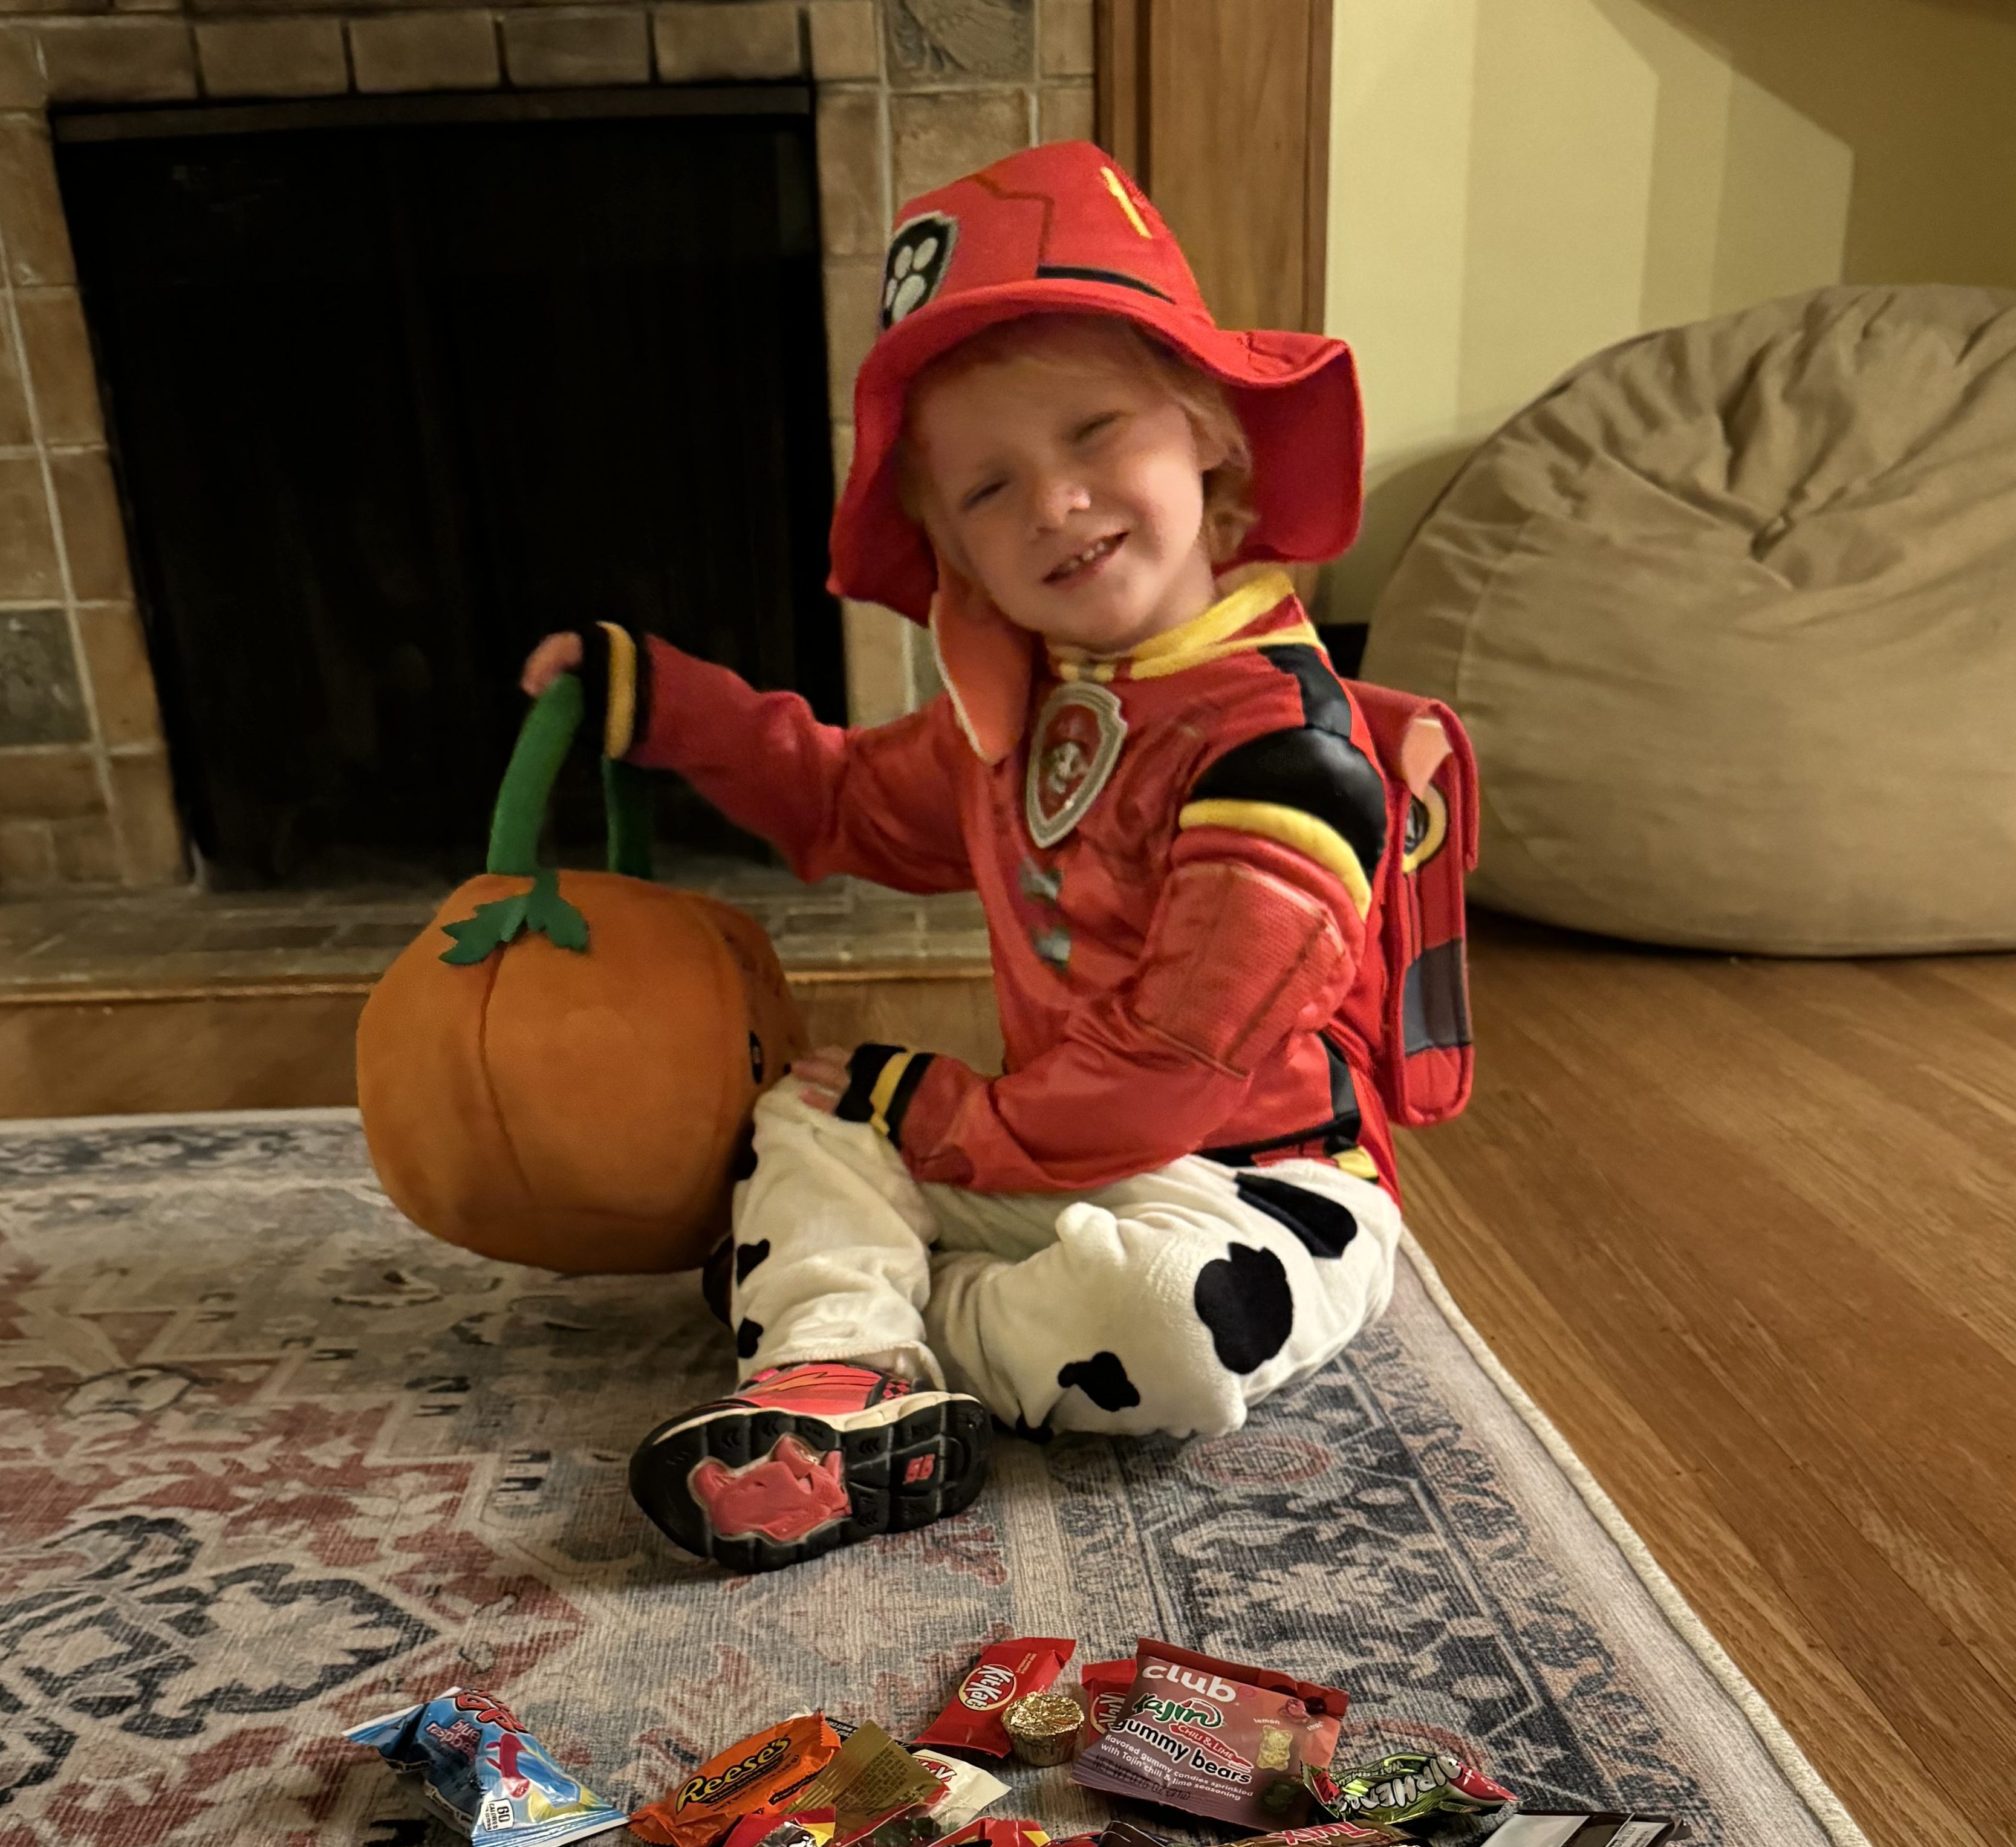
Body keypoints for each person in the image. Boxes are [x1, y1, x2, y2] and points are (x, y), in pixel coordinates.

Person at [522, 141, 1472, 1576]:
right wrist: (676, 706)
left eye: (1096, 434)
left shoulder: (1288, 752)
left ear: (1209, 428)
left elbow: (1174, 1061)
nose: (1055, 502)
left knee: (1167, 1326)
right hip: (1051, 1151)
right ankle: (840, 1378)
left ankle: (857, 1305)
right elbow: (845, 804)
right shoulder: (1029, 720)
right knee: (811, 1110)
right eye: (987, 489)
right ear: (951, 553)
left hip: (1258, 1176)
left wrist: (945, 1118)